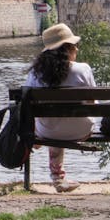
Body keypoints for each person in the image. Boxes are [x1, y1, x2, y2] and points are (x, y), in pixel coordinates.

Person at [24, 22, 96, 193]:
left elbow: (28, 104)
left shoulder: (35, 73)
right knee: (62, 119)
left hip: (47, 133)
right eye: (74, 46)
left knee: (53, 122)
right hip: (81, 131)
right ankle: (59, 179)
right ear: (67, 49)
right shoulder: (82, 69)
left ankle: (57, 178)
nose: (77, 50)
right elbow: (92, 103)